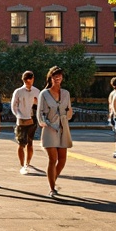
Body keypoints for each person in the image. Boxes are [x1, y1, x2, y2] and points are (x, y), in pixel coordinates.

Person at [38, 65, 74, 197]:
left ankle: (53, 178)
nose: (58, 78)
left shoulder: (66, 93)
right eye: (55, 75)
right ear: (50, 77)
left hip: (63, 127)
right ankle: (52, 188)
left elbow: (69, 110)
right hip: (49, 128)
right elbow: (39, 113)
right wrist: (46, 123)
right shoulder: (44, 94)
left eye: (60, 75)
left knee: (63, 159)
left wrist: (68, 115)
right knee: (53, 159)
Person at [11, 70, 40, 175]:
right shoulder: (18, 91)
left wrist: (37, 103)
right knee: (21, 143)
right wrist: (18, 115)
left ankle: (28, 163)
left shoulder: (36, 91)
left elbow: (41, 106)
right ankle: (22, 164)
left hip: (32, 118)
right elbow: (13, 105)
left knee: (30, 142)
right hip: (21, 119)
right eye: (27, 80)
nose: (30, 81)